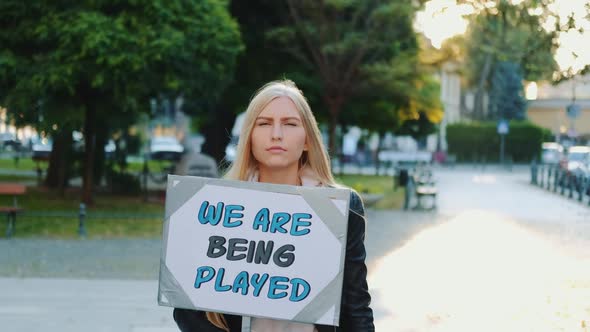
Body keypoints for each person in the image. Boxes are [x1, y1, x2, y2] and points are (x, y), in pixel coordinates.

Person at [173, 80, 374, 332]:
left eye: (290, 124)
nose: (276, 134)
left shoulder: (341, 208)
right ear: (249, 137)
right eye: (264, 123)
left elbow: (356, 306)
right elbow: (187, 310)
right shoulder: (214, 206)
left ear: (307, 140)